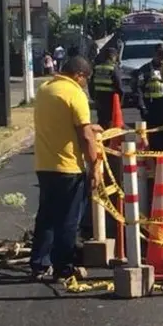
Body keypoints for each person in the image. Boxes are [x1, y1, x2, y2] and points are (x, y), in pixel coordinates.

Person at [30, 56, 105, 281]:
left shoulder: (45, 89)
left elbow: (59, 122)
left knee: (46, 216)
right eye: (86, 79)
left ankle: (40, 264)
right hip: (68, 166)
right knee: (68, 219)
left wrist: (88, 126)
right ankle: (63, 266)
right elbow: (85, 137)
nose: (85, 84)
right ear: (79, 75)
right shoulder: (75, 94)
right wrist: (95, 166)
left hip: (44, 164)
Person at [91, 46, 123, 129]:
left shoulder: (97, 68)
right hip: (110, 98)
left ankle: (101, 139)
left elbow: (91, 84)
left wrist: (93, 97)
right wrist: (120, 100)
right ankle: (108, 140)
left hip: (98, 97)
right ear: (113, 56)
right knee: (110, 120)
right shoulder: (113, 68)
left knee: (101, 120)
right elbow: (119, 86)